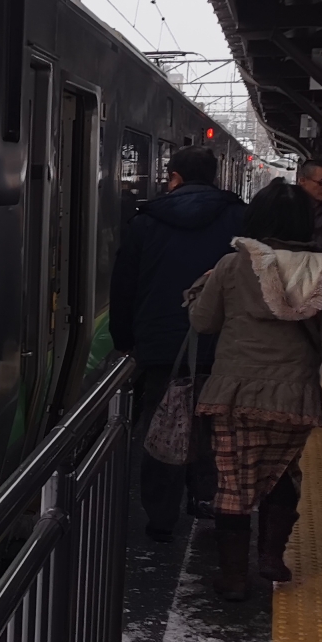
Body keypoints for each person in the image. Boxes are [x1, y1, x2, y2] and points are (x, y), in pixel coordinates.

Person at [188, 180, 322, 600]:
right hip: (295, 397)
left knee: (234, 484)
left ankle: (233, 577)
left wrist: (200, 287)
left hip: (234, 394)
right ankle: (271, 559)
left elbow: (203, 322)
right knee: (282, 473)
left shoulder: (233, 266)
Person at [110, 145, 245, 541]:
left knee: (163, 425)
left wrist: (126, 339)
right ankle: (206, 497)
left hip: (161, 344)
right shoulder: (239, 217)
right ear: (215, 176)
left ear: (175, 177)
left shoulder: (146, 221)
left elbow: (125, 285)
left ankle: (161, 516)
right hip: (222, 341)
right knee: (215, 425)